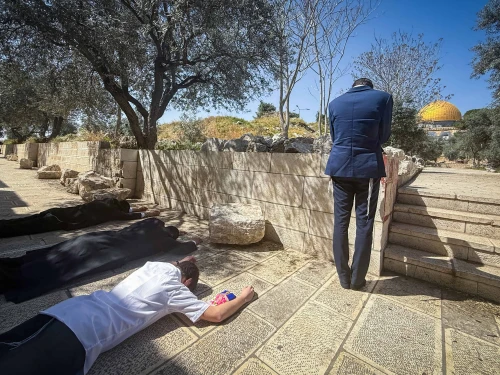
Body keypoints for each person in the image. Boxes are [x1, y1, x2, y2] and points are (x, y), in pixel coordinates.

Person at [0, 257, 256, 375]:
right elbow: (215, 314)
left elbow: (181, 261)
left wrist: (187, 261)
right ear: (187, 282)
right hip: (81, 332)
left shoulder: (154, 266)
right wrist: (243, 297)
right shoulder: (176, 290)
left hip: (69, 309)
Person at [0, 218, 198, 303]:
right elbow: (183, 248)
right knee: (61, 269)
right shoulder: (163, 241)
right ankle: (14, 278)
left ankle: (12, 266)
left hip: (94, 238)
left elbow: (153, 221)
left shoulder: (148, 226)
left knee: (52, 256)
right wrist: (193, 243)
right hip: (104, 252)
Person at [324, 78, 393, 290]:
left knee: (340, 222)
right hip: (367, 169)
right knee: (364, 222)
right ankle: (357, 280)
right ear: (369, 86)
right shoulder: (384, 98)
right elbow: (384, 135)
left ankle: (344, 279)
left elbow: (335, 137)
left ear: (353, 85)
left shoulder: (334, 103)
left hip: (339, 167)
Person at [0, 197, 161, 238]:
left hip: (56, 211)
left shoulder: (104, 201)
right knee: (23, 228)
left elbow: (125, 209)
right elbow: (126, 216)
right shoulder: (111, 210)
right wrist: (147, 214)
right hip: (59, 221)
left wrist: (137, 207)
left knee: (22, 220)